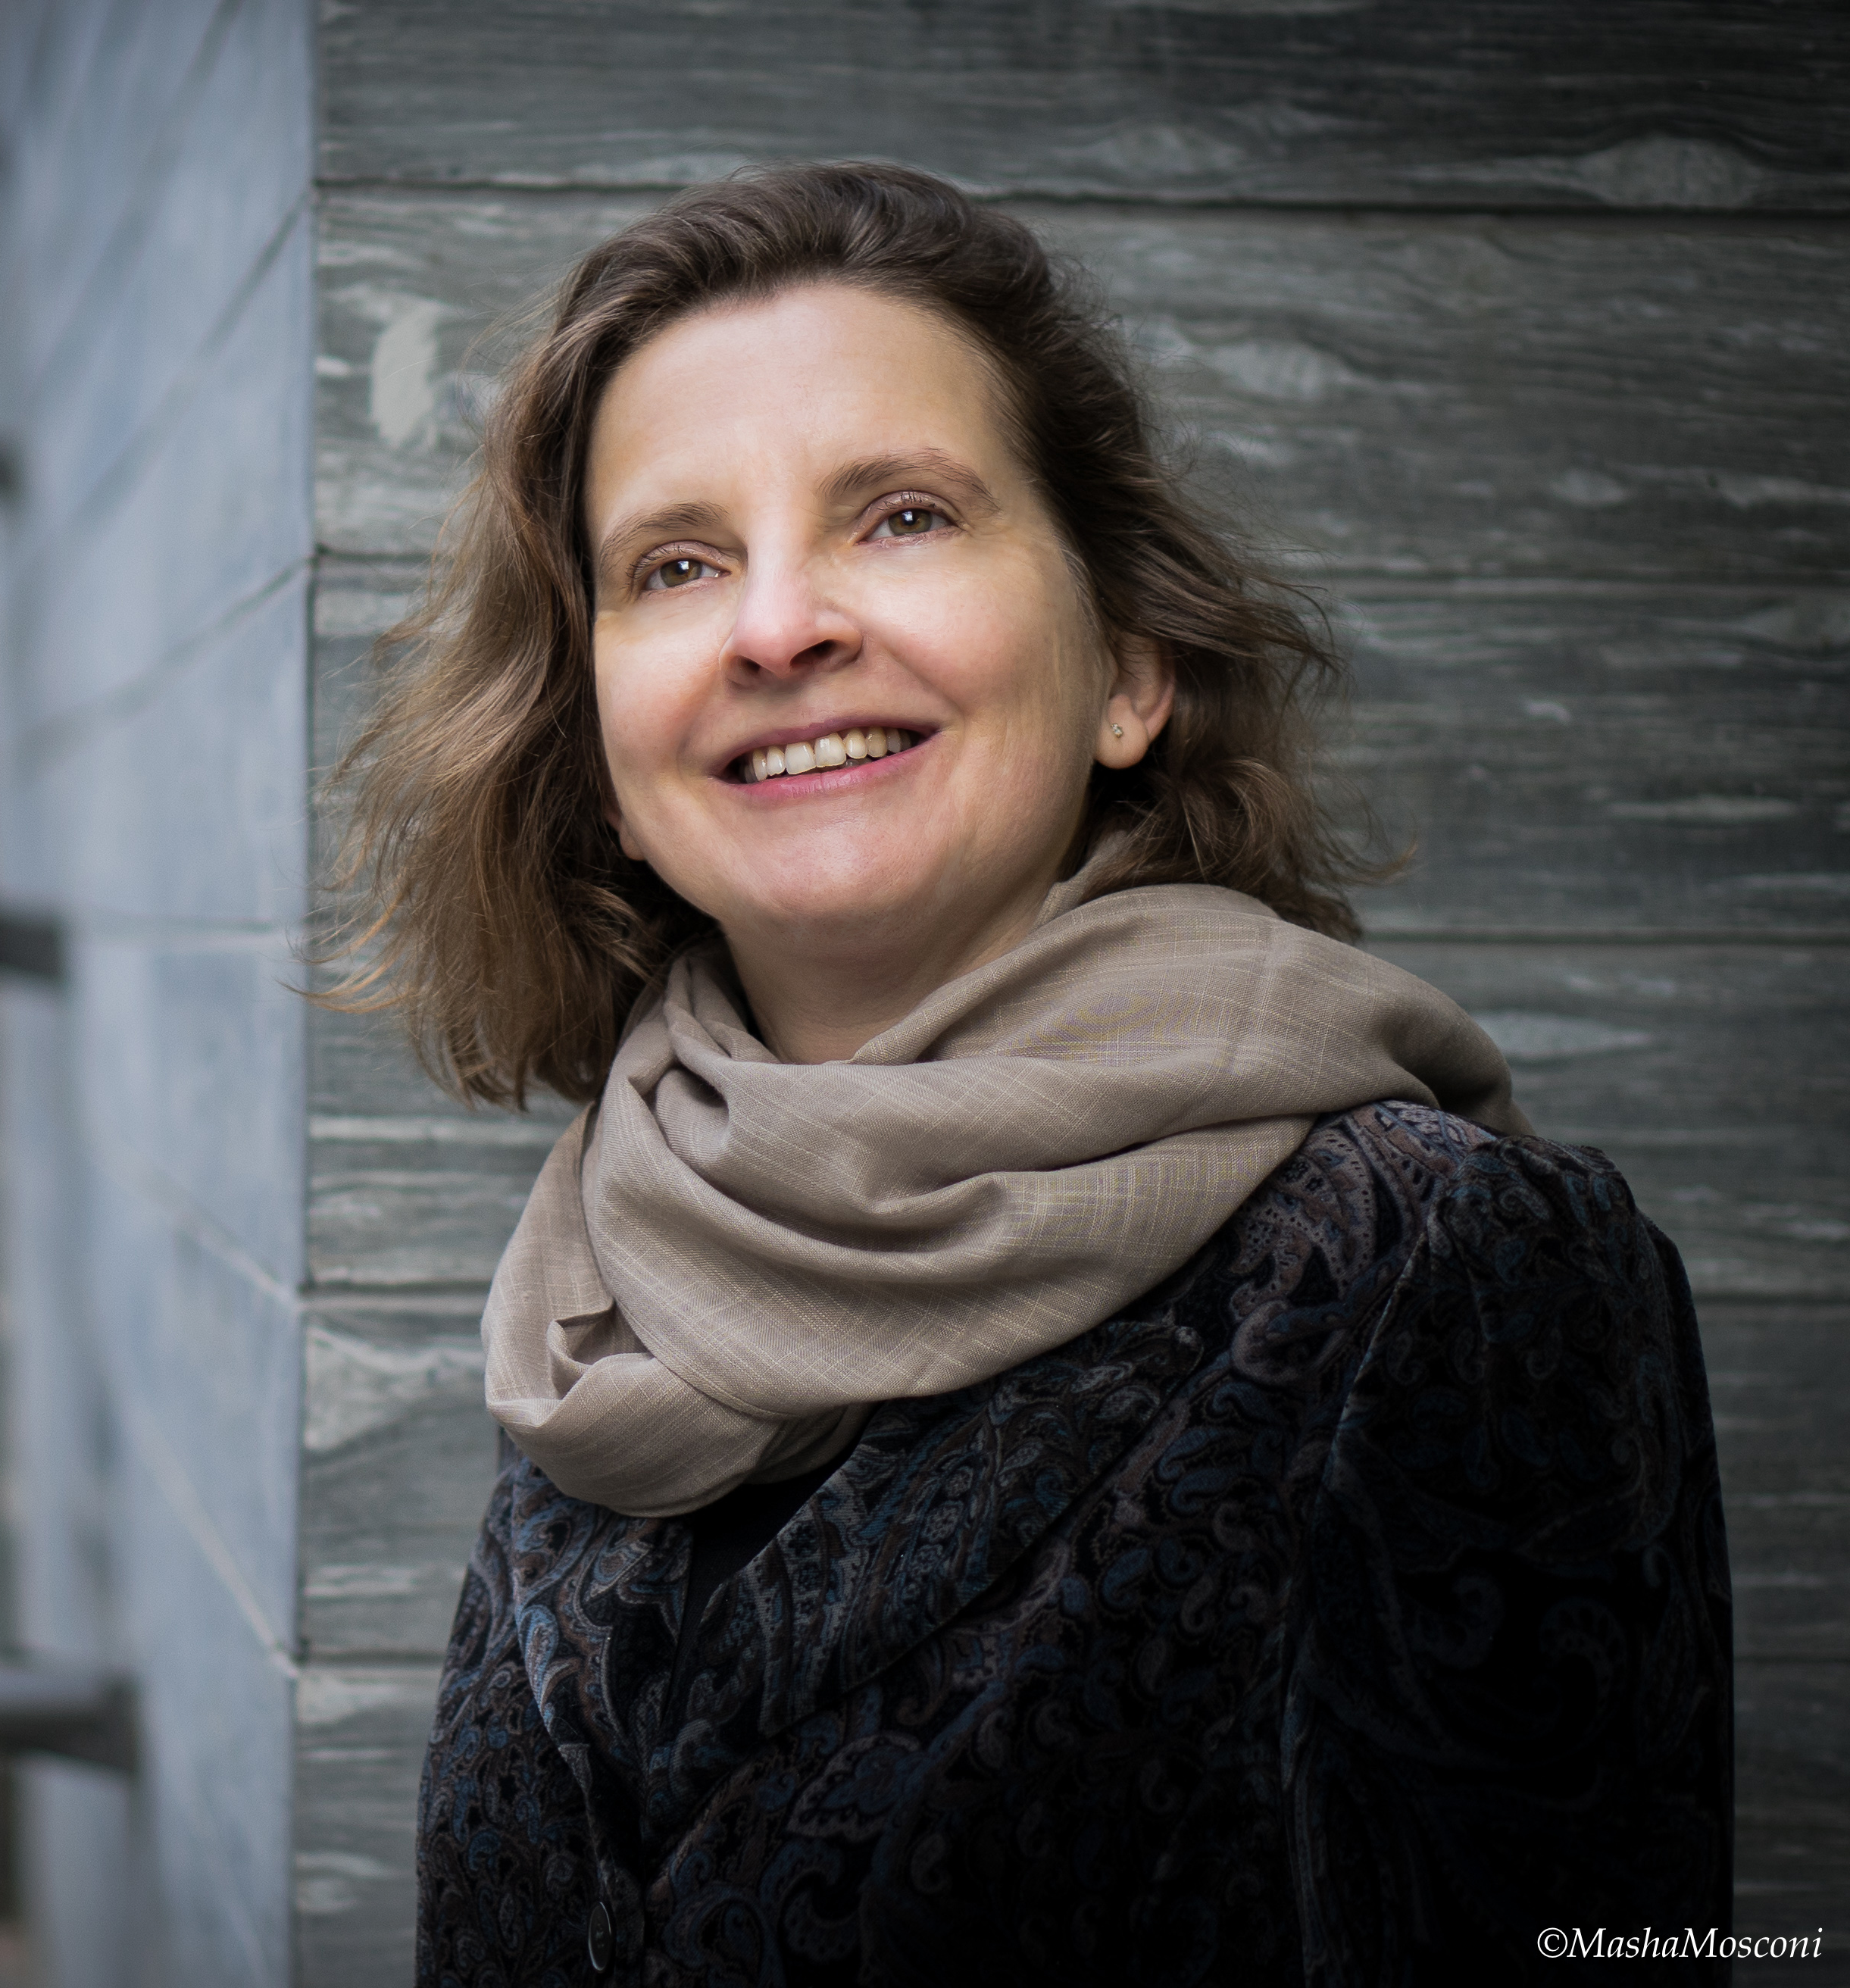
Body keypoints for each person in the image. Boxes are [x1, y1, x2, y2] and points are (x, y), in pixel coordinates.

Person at [322, 163, 1732, 1985]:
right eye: (676, 563)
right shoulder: (615, 1264)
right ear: (599, 753)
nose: (776, 626)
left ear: (1131, 668)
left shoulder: (1442, 1262)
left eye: (902, 516)